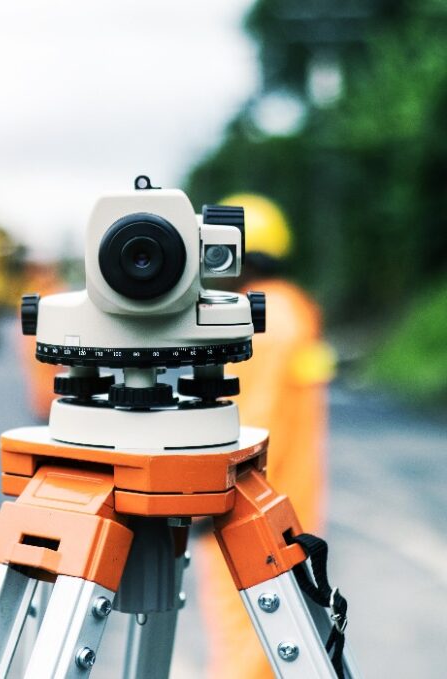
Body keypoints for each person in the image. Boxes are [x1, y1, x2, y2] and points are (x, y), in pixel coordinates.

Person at [196, 194, 336, 678]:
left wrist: (206, 487)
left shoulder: (260, 322)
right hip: (289, 506)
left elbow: (251, 420)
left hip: (248, 509)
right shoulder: (296, 310)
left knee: (246, 638)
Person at [17, 262, 66, 420]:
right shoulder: (47, 292)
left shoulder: (52, 292)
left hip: (46, 349)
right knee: (42, 380)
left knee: (50, 379)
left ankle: (48, 407)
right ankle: (44, 407)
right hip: (36, 349)